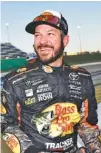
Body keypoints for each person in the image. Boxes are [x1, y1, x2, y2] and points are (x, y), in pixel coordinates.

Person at [1, 10, 101, 153]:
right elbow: (6, 125)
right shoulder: (14, 81)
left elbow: (87, 125)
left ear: (65, 40)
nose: (42, 41)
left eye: (50, 34)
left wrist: (96, 149)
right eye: (37, 35)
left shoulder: (82, 77)